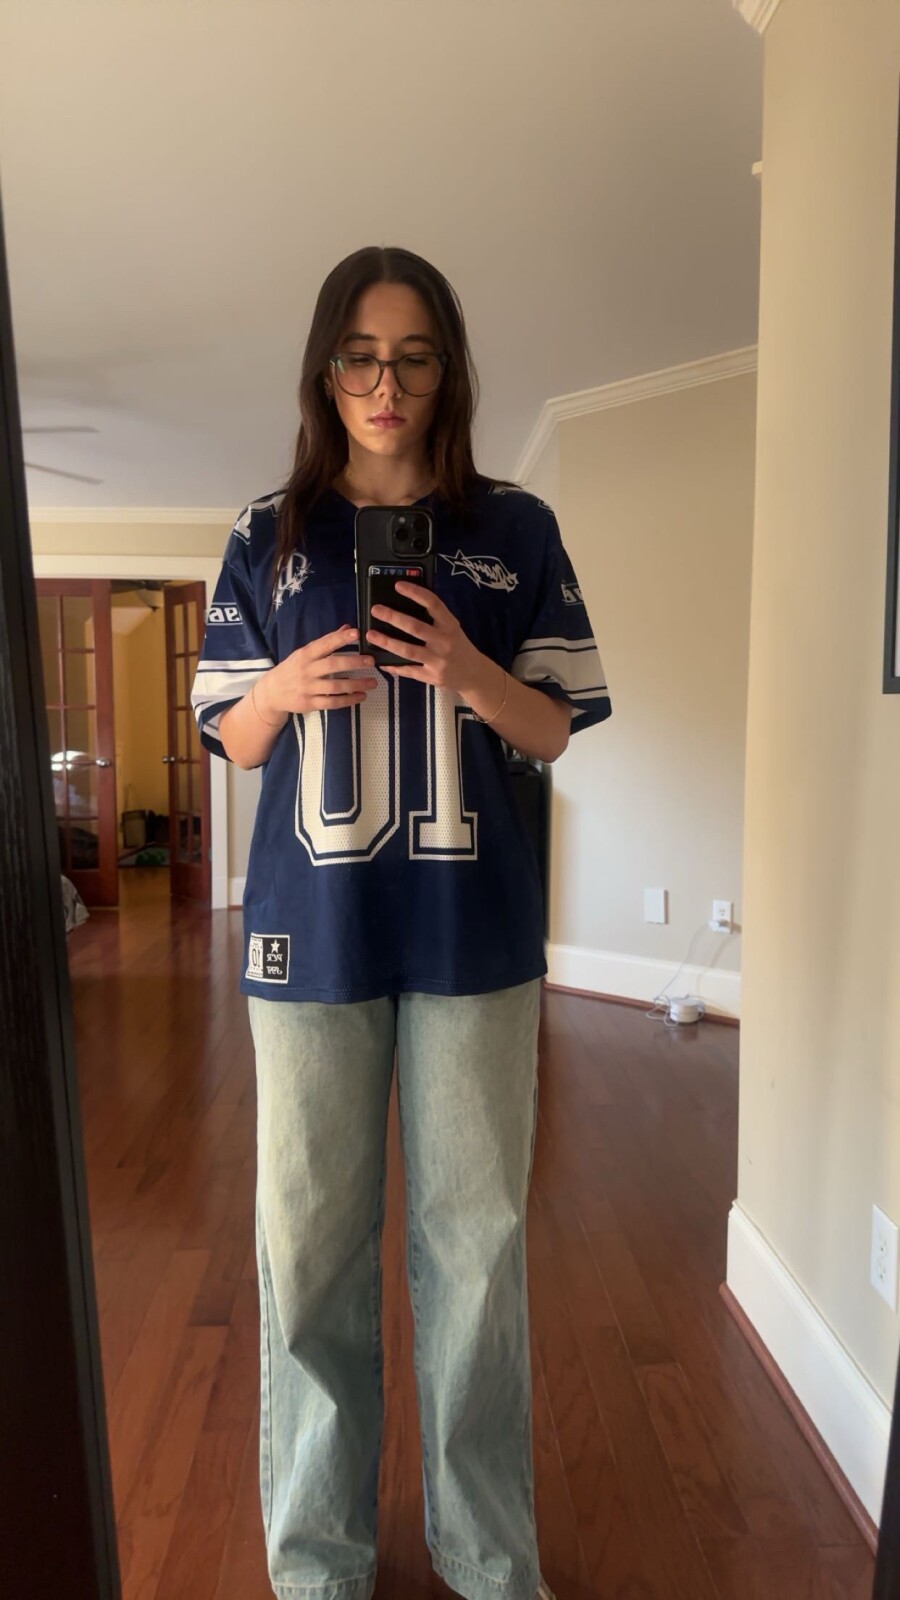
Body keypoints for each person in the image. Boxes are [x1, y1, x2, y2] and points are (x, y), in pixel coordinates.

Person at [191, 245, 611, 1600]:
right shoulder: (268, 533)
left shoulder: (517, 528)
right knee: (309, 1252)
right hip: (310, 937)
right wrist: (284, 687)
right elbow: (232, 736)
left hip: (472, 931)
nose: (388, 384)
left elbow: (555, 726)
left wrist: (468, 670)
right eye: (362, 356)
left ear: (450, 371)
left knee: (475, 1249)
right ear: (326, 369)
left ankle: (489, 1559)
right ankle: (319, 1562)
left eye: (415, 356)